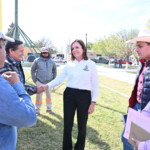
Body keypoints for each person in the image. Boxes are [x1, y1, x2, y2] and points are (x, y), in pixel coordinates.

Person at [41, 39, 99, 150]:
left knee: (82, 125)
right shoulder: (69, 64)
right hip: (69, 95)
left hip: (84, 96)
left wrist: (93, 102)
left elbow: (95, 84)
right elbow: (59, 79)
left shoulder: (91, 64)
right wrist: (46, 86)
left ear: (83, 49)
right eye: (72, 48)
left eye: (77, 47)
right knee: (67, 124)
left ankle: (79, 148)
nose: (74, 50)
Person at [0, 31, 36, 149]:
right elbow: (29, 117)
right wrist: (19, 86)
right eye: (21, 51)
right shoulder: (5, 67)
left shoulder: (17, 62)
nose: (23, 54)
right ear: (10, 51)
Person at [121, 28, 150, 150]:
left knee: (140, 142)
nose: (136, 49)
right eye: (136, 46)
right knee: (126, 138)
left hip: (147, 112)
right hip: (137, 107)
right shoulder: (142, 63)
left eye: (140, 46)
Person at [31, 47, 57, 115]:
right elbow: (32, 70)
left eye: (46, 52)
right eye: (43, 52)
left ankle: (49, 109)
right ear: (41, 53)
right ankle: (37, 110)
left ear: (48, 53)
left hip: (49, 83)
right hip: (39, 82)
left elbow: (54, 71)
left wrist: (53, 80)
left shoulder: (52, 61)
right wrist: (35, 81)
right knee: (38, 97)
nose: (45, 54)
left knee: (49, 97)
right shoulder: (37, 61)